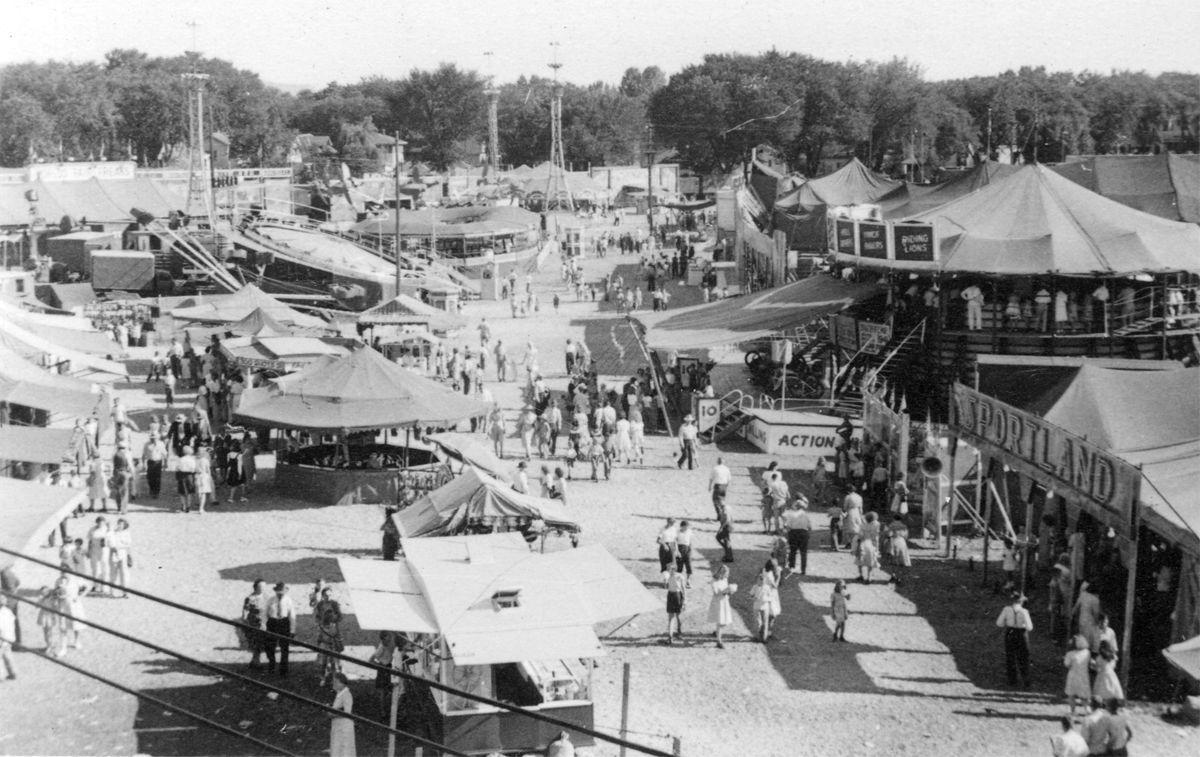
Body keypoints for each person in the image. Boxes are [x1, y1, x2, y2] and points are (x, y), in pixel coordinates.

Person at [995, 592, 1033, 687]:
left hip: (1010, 633)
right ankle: (1026, 679)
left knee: (1010, 656)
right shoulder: (1024, 611)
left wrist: (1007, 623)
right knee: (1024, 657)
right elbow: (1029, 627)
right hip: (1021, 634)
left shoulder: (1006, 609)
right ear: (1021, 601)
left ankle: (1012, 680)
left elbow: (999, 623)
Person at [312, 585, 344, 687]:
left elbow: (340, 617)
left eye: (330, 595)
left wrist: (333, 618)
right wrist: (321, 623)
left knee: (334, 659)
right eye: (326, 595)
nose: (328, 597)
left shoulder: (335, 604)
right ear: (322, 596)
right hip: (323, 631)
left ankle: (335, 679)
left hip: (333, 632)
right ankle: (323, 678)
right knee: (323, 658)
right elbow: (316, 617)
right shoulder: (320, 605)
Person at [265, 582, 297, 677]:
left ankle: (283, 670)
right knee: (270, 647)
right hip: (273, 623)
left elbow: (292, 615)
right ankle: (272, 665)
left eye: (282, 592)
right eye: (278, 592)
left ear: (285, 592)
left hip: (284, 623)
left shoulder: (288, 600)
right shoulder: (271, 600)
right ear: (275, 591)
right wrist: (265, 625)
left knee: (284, 648)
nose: (280, 594)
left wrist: (292, 630)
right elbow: (265, 613)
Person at [752, 559, 782, 643]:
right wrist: (779, 576)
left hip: (765, 593)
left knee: (769, 614)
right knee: (772, 614)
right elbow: (775, 586)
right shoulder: (769, 575)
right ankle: (767, 633)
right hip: (771, 594)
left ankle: (765, 633)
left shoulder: (764, 570)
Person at [242, 579, 269, 669]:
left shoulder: (266, 596)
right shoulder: (250, 598)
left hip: (264, 623)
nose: (263, 588)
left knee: (262, 642)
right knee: (255, 642)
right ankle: (256, 661)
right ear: (255, 587)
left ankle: (255, 661)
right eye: (261, 587)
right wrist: (244, 621)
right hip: (254, 623)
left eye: (264, 587)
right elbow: (245, 610)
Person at [329, 672, 356, 757]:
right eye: (333, 681)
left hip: (344, 728)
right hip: (338, 726)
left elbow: (347, 712)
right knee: (336, 749)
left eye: (336, 682)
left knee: (344, 750)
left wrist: (332, 714)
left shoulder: (346, 694)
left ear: (342, 683)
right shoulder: (340, 694)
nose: (334, 684)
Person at [1063, 634, 1091, 716]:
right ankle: (1087, 710)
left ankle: (1073, 711)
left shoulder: (1070, 654)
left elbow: (1067, 664)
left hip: (1073, 676)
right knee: (1084, 696)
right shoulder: (1087, 653)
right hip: (1084, 676)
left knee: (1071, 695)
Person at [708, 564, 734, 649]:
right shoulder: (714, 581)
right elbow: (716, 593)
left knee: (724, 621)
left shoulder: (725, 579)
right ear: (721, 573)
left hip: (724, 601)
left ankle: (717, 632)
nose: (727, 575)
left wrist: (730, 591)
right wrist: (725, 591)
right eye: (726, 574)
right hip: (718, 602)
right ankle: (719, 641)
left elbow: (726, 590)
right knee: (721, 621)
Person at [784, 500, 812, 575]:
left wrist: (787, 533)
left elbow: (788, 526)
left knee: (793, 551)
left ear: (795, 506)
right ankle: (803, 570)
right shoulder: (806, 514)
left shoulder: (791, 514)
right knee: (803, 553)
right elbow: (810, 526)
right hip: (804, 533)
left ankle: (792, 567)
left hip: (794, 533)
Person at [86, 516, 111, 595]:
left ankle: (105, 587)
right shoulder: (92, 529)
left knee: (104, 568)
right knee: (95, 568)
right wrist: (89, 551)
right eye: (99, 522)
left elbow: (111, 541)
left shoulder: (107, 529)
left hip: (104, 550)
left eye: (102, 522)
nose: (100, 523)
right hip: (94, 550)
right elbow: (89, 541)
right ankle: (95, 586)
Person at [108, 519, 132, 598]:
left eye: (121, 524)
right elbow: (110, 543)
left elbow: (128, 544)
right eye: (118, 524)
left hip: (123, 554)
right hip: (114, 554)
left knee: (124, 574)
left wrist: (129, 555)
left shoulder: (126, 533)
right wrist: (115, 547)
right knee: (113, 574)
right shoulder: (112, 532)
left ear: (124, 525)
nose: (119, 525)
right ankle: (112, 592)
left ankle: (125, 592)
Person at [885, 514, 911, 585]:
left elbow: (889, 534)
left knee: (893, 560)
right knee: (901, 561)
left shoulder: (891, 525)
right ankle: (899, 577)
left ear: (894, 519)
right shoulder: (904, 526)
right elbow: (906, 536)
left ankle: (893, 575)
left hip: (893, 542)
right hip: (902, 542)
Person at [856, 512, 881, 584]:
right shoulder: (876, 526)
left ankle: (861, 575)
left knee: (859, 559)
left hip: (863, 543)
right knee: (870, 560)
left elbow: (860, 535)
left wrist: (858, 543)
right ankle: (869, 577)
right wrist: (877, 547)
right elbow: (876, 538)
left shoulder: (863, 525)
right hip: (871, 544)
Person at [664, 561, 686, 644]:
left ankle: (679, 631)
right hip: (670, 595)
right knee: (671, 617)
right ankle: (670, 636)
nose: (668, 571)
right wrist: (666, 580)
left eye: (669, 569)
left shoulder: (680, 576)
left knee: (678, 615)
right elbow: (666, 586)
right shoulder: (668, 576)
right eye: (668, 569)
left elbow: (683, 588)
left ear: (674, 569)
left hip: (677, 595)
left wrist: (684, 600)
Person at [141, 433, 167, 499]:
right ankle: (151, 489)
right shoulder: (147, 444)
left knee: (157, 478)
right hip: (150, 462)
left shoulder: (161, 444)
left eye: (154, 438)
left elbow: (165, 454)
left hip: (158, 462)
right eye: (152, 438)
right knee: (150, 477)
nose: (153, 439)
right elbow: (144, 454)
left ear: (157, 438)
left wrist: (166, 463)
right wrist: (143, 463)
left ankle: (156, 492)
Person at [175, 445, 197, 513]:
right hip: (190, 475)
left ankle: (183, 506)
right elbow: (194, 469)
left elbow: (177, 468)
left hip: (182, 475)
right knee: (189, 492)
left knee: (182, 492)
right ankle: (188, 507)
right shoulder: (192, 460)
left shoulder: (180, 459)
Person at [0, 594, 16, 680]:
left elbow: (1, 628)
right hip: (10, 637)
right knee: (8, 656)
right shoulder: (8, 611)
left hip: (2, 639)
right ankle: (13, 673)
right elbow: (13, 620)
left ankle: (1, 676)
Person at [195, 447, 215, 513]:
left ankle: (199, 502)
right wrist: (209, 476)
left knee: (199, 492)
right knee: (204, 493)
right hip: (204, 476)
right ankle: (201, 508)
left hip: (197, 476)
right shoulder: (205, 460)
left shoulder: (196, 459)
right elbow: (208, 469)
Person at [675, 520, 694, 588]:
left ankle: (688, 581)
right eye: (685, 527)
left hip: (687, 548)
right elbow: (675, 542)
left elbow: (690, 541)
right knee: (679, 566)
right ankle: (678, 582)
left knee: (689, 565)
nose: (686, 528)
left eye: (687, 527)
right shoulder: (677, 532)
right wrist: (677, 551)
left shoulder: (689, 532)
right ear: (682, 526)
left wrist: (690, 549)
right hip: (680, 548)